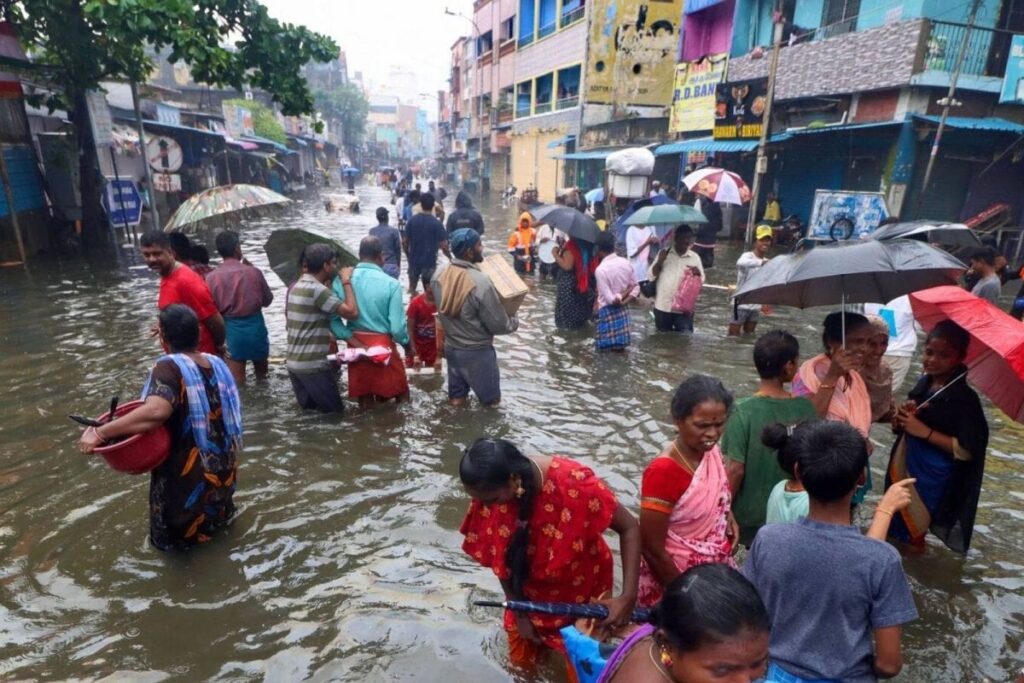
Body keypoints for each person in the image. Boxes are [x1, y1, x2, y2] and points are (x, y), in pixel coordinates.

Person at [743, 420, 918, 682]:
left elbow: (745, 617)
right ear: (861, 478)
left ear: (798, 472)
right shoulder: (882, 560)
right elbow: (889, 665)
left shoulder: (768, 539)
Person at [459, 437, 640, 680]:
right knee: (521, 671)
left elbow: (630, 528)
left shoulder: (576, 485)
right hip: (527, 602)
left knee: (585, 675)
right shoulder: (489, 497)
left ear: (514, 480)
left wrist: (627, 597)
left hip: (583, 600)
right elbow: (499, 561)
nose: (484, 507)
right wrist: (521, 615)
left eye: (490, 500)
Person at [77, 304, 242, 550]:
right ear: (196, 334)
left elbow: (156, 411)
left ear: (163, 337)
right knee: (219, 535)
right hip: (221, 470)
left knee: (177, 549)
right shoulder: (214, 363)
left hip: (187, 475)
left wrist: (100, 432)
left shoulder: (168, 367)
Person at [886, 321, 989, 553]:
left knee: (914, 531)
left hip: (933, 475)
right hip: (905, 461)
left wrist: (925, 432)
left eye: (944, 355)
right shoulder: (924, 384)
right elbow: (908, 426)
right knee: (893, 520)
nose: (932, 359)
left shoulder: (965, 399)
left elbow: (968, 449)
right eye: (929, 352)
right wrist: (902, 420)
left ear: (960, 358)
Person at [638, 375, 738, 608]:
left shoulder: (709, 453)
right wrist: (686, 596)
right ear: (678, 421)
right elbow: (652, 548)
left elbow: (716, 495)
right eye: (702, 426)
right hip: (673, 579)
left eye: (719, 424)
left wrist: (727, 514)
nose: (713, 434)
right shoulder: (664, 471)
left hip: (710, 571)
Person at [721, 330, 817, 545]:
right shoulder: (805, 407)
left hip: (748, 516)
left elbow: (735, 468)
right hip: (793, 514)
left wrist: (723, 509)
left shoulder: (741, 411)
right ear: (789, 366)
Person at [597, 564, 770, 683]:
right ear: (667, 645)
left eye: (757, 663)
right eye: (722, 670)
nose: (745, 681)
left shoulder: (665, 629)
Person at [432, 229, 518, 406]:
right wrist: (514, 318)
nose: (482, 247)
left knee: (456, 401)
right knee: (492, 404)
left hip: (452, 349)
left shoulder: (438, 275)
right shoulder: (481, 283)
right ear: (469, 252)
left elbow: (441, 314)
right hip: (477, 353)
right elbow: (499, 325)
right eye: (479, 245)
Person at [330, 237, 410, 407]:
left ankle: (365, 431)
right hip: (382, 347)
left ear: (359, 255)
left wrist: (352, 340)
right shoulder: (392, 284)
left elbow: (334, 322)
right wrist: (407, 344)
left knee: (365, 399)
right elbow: (397, 329)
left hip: (355, 346)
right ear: (381, 256)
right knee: (401, 394)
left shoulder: (341, 282)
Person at [284, 244, 359, 413]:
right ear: (325, 266)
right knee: (335, 416)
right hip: (313, 367)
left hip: (295, 365)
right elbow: (352, 312)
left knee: (311, 416)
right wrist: (346, 280)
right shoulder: (318, 290)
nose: (335, 267)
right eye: (333, 263)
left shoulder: (297, 285)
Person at [140, 231, 225, 357]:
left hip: (199, 361)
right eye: (147, 255)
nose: (151, 259)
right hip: (181, 359)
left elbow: (216, 320)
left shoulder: (186, 281)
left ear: (170, 252)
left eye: (157, 254)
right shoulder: (166, 274)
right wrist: (164, 325)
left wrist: (218, 347)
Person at [205, 230, 274, 384]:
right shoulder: (254, 272)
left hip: (232, 332)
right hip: (256, 329)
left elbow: (212, 310)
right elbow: (268, 300)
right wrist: (254, 270)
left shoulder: (211, 277)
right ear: (237, 248)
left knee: (238, 383)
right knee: (263, 379)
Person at [649, 226, 706, 333]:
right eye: (683, 238)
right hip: (663, 306)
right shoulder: (663, 253)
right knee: (662, 338)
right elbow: (651, 276)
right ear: (676, 238)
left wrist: (697, 274)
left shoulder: (695, 257)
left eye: (689, 238)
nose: (686, 241)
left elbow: (702, 280)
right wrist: (660, 262)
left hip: (684, 309)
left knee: (685, 340)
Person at [593, 231, 638, 352]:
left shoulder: (600, 270)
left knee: (604, 353)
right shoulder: (626, 263)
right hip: (623, 311)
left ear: (599, 249)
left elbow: (611, 300)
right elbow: (636, 288)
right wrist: (625, 301)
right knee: (621, 350)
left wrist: (620, 297)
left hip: (607, 313)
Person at [864, 295, 918, 393]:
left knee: (869, 390)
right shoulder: (909, 298)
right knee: (887, 393)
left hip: (872, 350)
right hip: (899, 352)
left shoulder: (870, 299)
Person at [728, 225, 773, 336]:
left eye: (768, 240)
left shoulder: (768, 262)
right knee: (732, 337)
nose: (765, 243)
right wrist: (761, 263)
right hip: (741, 305)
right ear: (755, 241)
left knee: (749, 337)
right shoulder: (748, 256)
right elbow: (740, 262)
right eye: (762, 240)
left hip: (756, 307)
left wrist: (766, 302)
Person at [403, 193, 450, 295]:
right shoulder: (436, 224)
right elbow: (444, 246)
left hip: (414, 261)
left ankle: (411, 308)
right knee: (429, 292)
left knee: (411, 289)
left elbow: (404, 242)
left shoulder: (412, 221)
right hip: (429, 263)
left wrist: (408, 255)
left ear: (421, 204)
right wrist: (451, 258)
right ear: (433, 205)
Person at [553, 237, 598, 329]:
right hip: (585, 285)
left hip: (569, 287)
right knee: (582, 321)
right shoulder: (588, 245)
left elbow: (567, 266)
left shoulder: (571, 245)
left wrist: (555, 254)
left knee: (566, 324)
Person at [862, 315, 895, 423]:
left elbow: (880, 415)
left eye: (884, 343)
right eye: (872, 344)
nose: (878, 350)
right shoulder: (845, 369)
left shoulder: (885, 371)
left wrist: (896, 414)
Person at [406, 286, 442, 369]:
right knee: (414, 371)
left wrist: (439, 355)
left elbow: (446, 330)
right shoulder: (416, 303)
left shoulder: (442, 303)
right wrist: (413, 351)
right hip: (417, 345)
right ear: (427, 287)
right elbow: (409, 329)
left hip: (433, 347)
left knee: (434, 375)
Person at [368, 207, 403, 279]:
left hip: (377, 267)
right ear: (387, 217)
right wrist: (398, 265)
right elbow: (398, 250)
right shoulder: (394, 231)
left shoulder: (372, 231)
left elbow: (370, 250)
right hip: (391, 266)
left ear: (377, 218)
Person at [693, 200, 722, 269]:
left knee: (695, 267)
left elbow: (703, 228)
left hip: (700, 243)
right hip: (711, 244)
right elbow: (720, 227)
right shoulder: (718, 211)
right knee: (708, 267)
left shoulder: (706, 209)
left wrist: (695, 233)